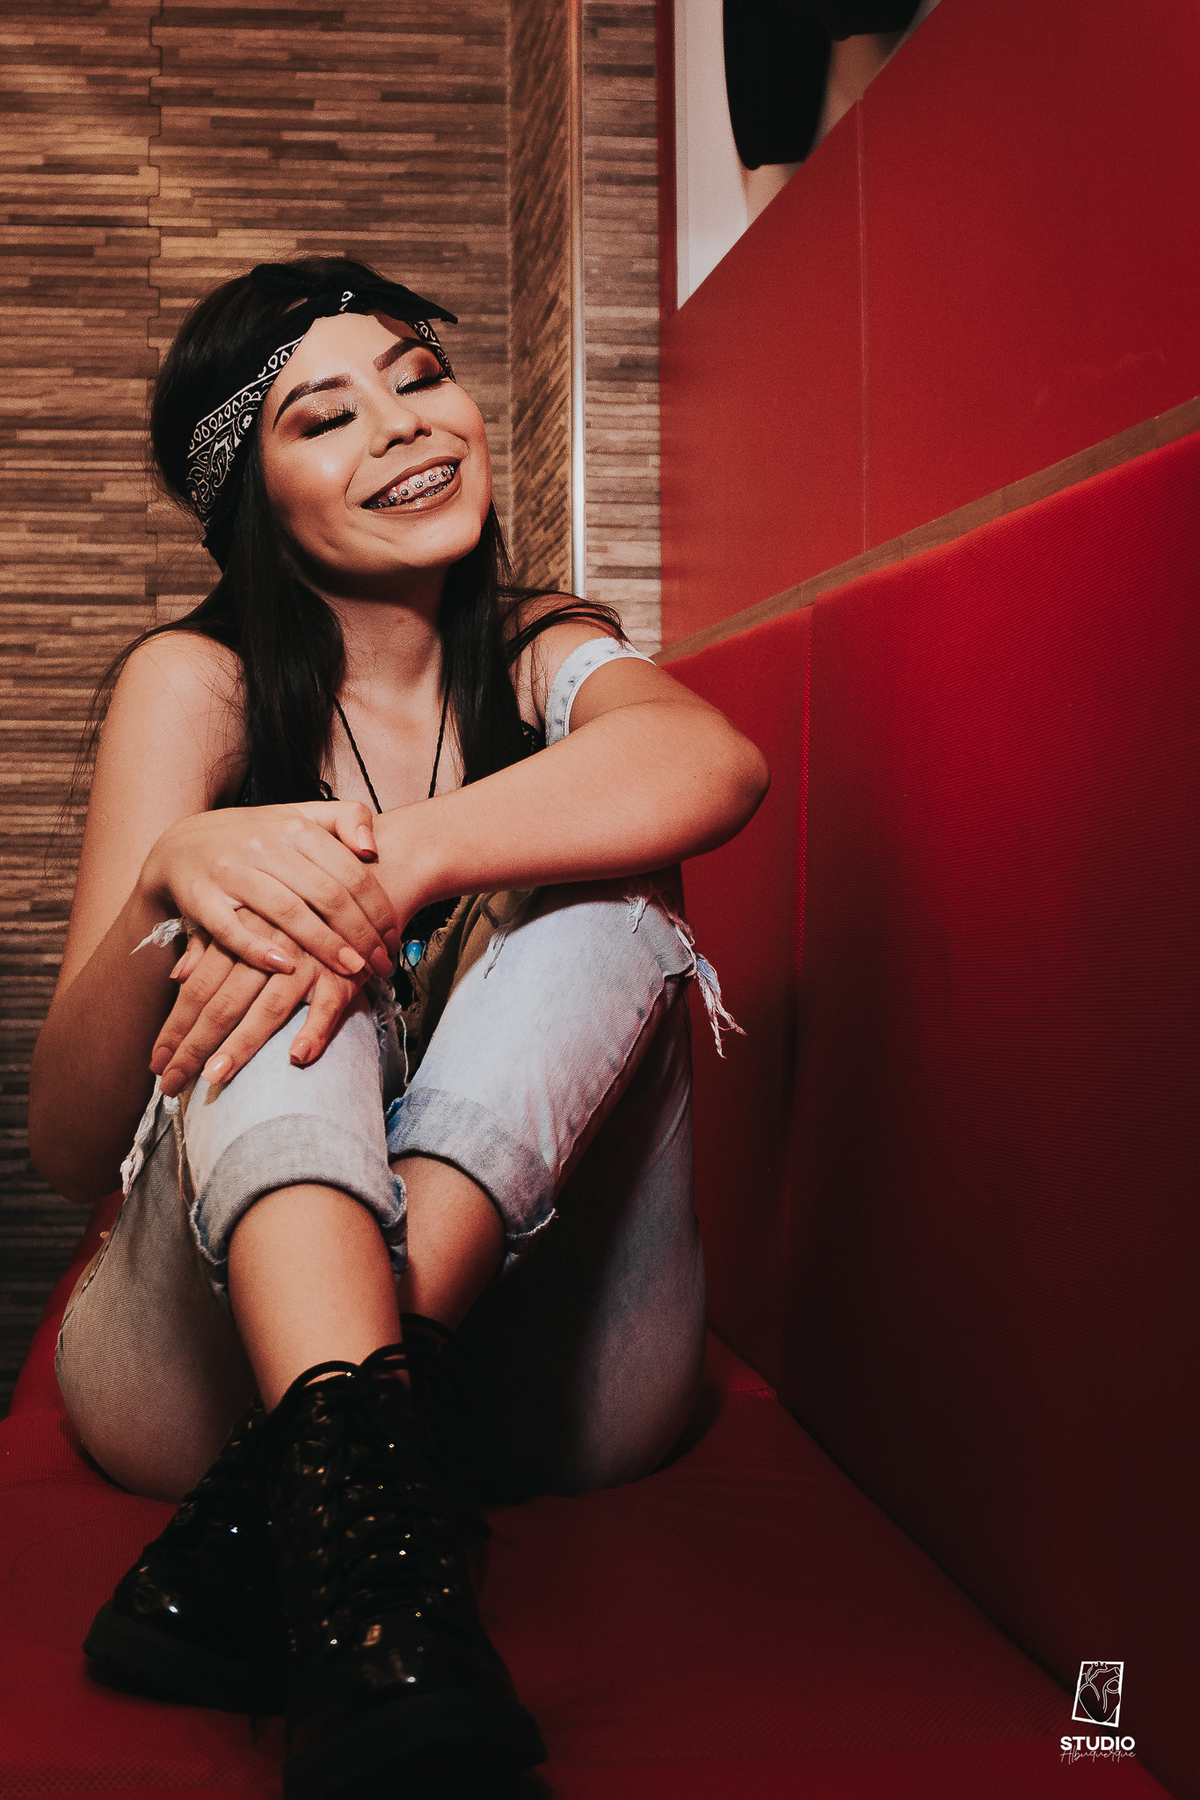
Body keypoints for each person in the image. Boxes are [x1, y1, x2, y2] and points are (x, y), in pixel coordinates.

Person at [27, 256, 769, 1799]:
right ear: (252, 495)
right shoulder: (201, 682)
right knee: (263, 905)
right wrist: (177, 876)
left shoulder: (544, 646)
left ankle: (316, 1460)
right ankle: (364, 1562)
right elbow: (70, 1145)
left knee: (610, 877)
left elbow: (714, 764)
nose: (405, 425)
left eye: (419, 378)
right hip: (197, 1387)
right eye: (326, 416)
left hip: (549, 1381)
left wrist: (394, 863)